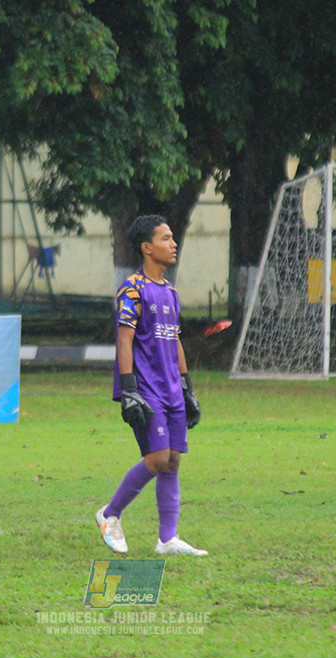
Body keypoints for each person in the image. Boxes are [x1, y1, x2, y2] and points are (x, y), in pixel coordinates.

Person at [95, 215, 207, 557]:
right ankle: (110, 513)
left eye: (173, 238)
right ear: (147, 248)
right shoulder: (132, 289)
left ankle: (167, 538)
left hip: (172, 388)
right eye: (166, 238)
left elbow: (174, 343)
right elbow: (124, 341)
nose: (173, 244)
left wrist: (187, 388)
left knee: (172, 460)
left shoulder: (170, 292)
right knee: (157, 459)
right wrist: (128, 389)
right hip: (146, 389)